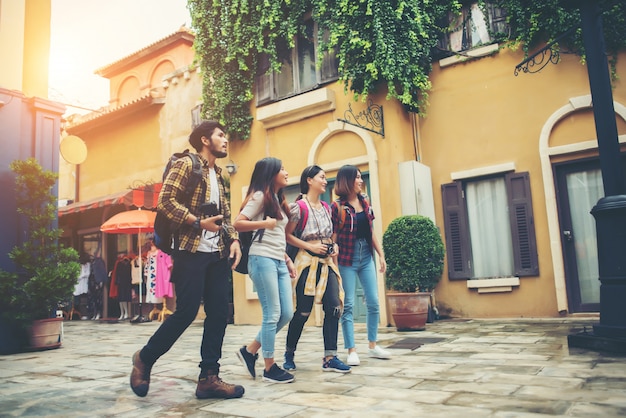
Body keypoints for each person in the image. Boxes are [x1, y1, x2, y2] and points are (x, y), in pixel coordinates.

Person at [130, 120, 244, 400]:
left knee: (219, 313)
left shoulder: (219, 174)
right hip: (189, 250)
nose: (225, 140)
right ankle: (145, 359)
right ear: (205, 140)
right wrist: (197, 222)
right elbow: (166, 201)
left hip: (216, 253)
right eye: (220, 135)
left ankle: (209, 378)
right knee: (186, 313)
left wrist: (235, 240)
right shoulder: (186, 164)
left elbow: (226, 216)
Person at [234, 157, 297, 384]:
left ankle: (250, 351)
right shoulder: (259, 196)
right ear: (271, 174)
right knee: (272, 314)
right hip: (261, 260)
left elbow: (277, 237)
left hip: (278, 261)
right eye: (282, 169)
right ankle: (269, 367)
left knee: (286, 313)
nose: (286, 172)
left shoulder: (278, 200)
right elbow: (238, 223)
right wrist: (264, 224)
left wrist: (287, 259)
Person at [282, 165, 350, 373]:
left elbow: (330, 235)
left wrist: (334, 245)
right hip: (306, 263)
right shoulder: (299, 207)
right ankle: (289, 353)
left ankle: (330, 356)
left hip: (326, 262)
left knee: (334, 307)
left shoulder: (327, 208)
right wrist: (310, 246)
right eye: (321, 177)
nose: (325, 181)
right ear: (309, 180)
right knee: (303, 311)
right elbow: (287, 235)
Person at [331, 164, 391, 366]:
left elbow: (371, 231)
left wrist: (381, 255)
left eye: (360, 177)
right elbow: (334, 238)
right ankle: (352, 350)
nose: (360, 180)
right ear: (347, 180)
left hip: (365, 257)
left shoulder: (365, 201)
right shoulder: (337, 207)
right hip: (346, 260)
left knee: (373, 302)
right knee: (347, 305)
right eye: (356, 177)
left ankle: (373, 346)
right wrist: (334, 263)